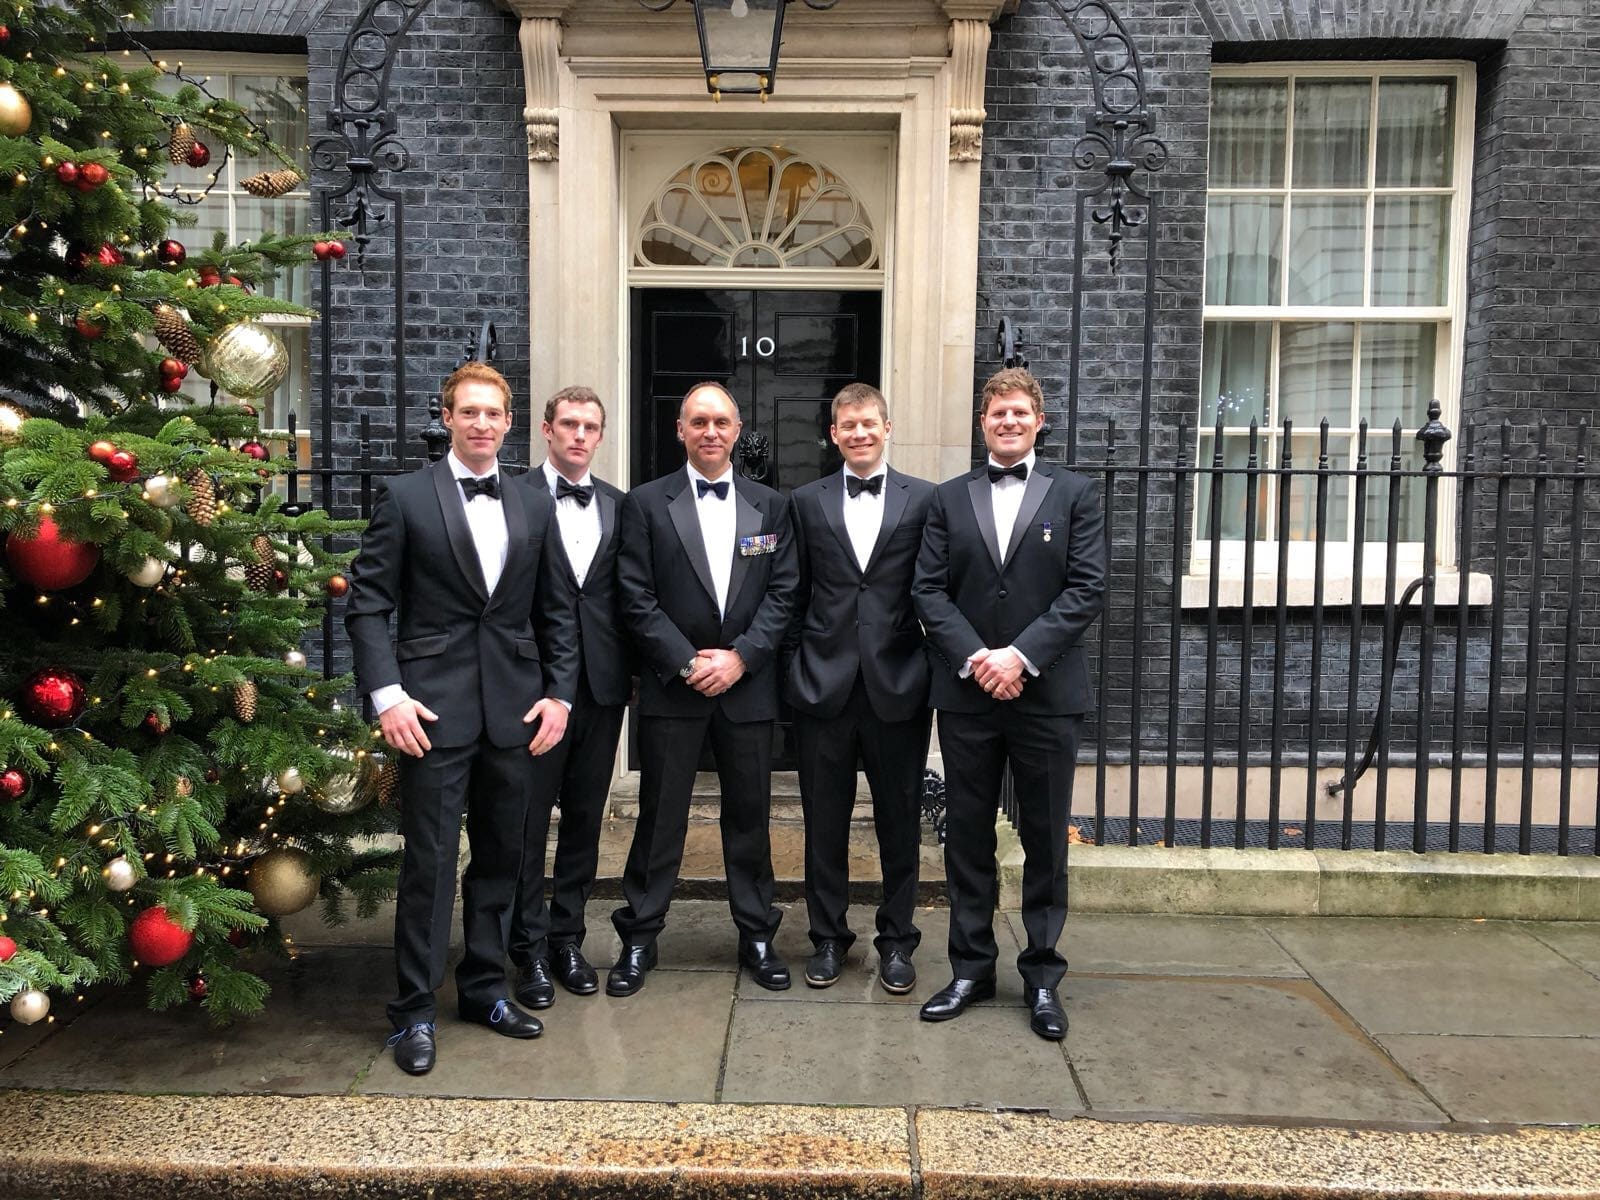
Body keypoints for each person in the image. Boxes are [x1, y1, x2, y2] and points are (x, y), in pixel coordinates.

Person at [345, 361, 577, 1076]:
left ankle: (483, 989)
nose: (482, 423)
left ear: (510, 423)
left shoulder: (536, 505)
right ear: (447, 417)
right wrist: (387, 696)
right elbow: (368, 604)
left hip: (516, 711)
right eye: (469, 412)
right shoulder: (407, 497)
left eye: (494, 413)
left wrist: (560, 694)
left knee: (505, 861)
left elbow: (557, 610)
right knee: (432, 866)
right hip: (431, 712)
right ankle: (413, 1011)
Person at [911, 366, 1106, 1041]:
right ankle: (970, 967)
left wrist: (1019, 657)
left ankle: (1043, 977)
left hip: (1045, 694)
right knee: (966, 836)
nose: (1009, 423)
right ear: (982, 423)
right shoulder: (946, 499)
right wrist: (978, 659)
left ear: (1038, 420)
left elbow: (1086, 588)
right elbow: (928, 591)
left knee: (1046, 839)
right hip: (968, 695)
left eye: (1020, 413)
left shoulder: (1076, 494)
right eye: (997, 414)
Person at [608, 381, 798, 996]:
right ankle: (639, 936)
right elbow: (634, 599)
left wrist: (741, 658)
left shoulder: (772, 506)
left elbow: (784, 594)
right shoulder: (644, 503)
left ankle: (758, 934)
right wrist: (689, 663)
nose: (710, 432)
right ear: (681, 431)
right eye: (698, 422)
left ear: (737, 430)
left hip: (747, 689)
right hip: (674, 689)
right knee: (660, 818)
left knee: (749, 818)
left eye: (720, 422)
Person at [785, 382, 935, 993]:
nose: (859, 433)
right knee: (824, 820)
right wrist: (797, 666)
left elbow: (934, 587)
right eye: (847, 425)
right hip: (823, 686)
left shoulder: (925, 500)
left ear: (887, 427)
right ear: (833, 432)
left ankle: (897, 941)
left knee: (901, 820)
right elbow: (790, 592)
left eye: (868, 423)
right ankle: (827, 937)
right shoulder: (805, 501)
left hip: (897, 684)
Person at [508, 386, 632, 1008]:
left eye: (590, 426)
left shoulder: (619, 505)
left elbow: (625, 598)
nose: (579, 435)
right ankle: (526, 948)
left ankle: (568, 938)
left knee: (586, 819)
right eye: (570, 425)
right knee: (531, 822)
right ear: (547, 430)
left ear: (600, 436)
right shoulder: (515, 498)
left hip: (603, 690)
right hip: (535, 695)